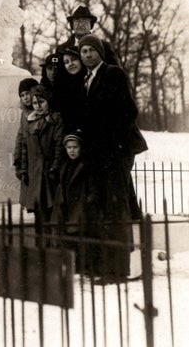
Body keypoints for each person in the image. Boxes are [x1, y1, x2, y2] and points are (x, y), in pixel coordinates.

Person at [77, 34, 140, 281]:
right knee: (100, 209)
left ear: (100, 53)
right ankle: (104, 267)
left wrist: (115, 144)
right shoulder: (86, 79)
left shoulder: (113, 74)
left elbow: (128, 111)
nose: (87, 55)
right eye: (83, 51)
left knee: (115, 209)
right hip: (96, 155)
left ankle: (118, 269)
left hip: (113, 154)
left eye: (92, 50)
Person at [51, 131, 97, 275]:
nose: (72, 150)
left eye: (75, 147)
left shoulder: (86, 165)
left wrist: (88, 201)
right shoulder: (65, 166)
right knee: (69, 238)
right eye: (69, 147)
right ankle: (73, 267)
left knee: (82, 238)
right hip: (67, 207)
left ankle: (85, 267)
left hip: (81, 208)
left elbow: (93, 188)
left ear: (80, 148)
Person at [17, 85, 64, 223]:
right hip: (34, 173)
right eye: (35, 103)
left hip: (49, 172)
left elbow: (59, 146)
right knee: (39, 212)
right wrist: (24, 169)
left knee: (52, 212)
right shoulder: (30, 121)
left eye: (41, 102)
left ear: (48, 101)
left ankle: (52, 243)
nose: (38, 106)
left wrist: (54, 167)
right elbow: (25, 147)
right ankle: (40, 243)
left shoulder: (55, 120)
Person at [12, 77, 37, 208]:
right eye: (22, 95)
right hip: (26, 158)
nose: (25, 97)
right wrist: (17, 159)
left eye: (27, 93)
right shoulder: (25, 114)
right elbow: (20, 137)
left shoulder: (40, 110)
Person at [52, 47, 86, 132]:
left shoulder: (90, 80)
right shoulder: (62, 87)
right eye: (66, 62)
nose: (70, 64)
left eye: (74, 59)